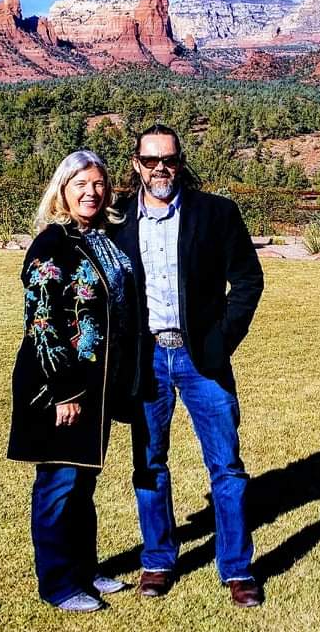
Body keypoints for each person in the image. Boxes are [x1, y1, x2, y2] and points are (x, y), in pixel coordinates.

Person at [113, 124, 265, 607]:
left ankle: (237, 569)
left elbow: (247, 280)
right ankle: (158, 559)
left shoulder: (216, 213)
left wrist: (222, 341)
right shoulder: (116, 222)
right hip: (147, 359)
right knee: (149, 463)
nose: (162, 167)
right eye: (151, 159)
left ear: (181, 161)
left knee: (226, 466)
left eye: (170, 159)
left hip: (203, 359)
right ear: (136, 163)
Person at [7, 150, 135, 612]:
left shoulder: (101, 239)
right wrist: (65, 391)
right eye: (80, 183)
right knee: (58, 483)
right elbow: (41, 321)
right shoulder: (51, 243)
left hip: (96, 388)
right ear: (62, 189)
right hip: (58, 388)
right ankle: (58, 583)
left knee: (82, 483)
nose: (91, 192)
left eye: (99, 183)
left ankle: (85, 568)